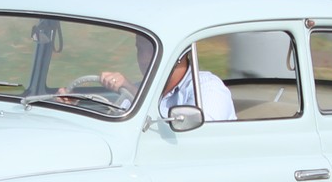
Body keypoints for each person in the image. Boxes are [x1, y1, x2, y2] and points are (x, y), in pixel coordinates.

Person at [92, 40, 237, 121]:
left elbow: (196, 137)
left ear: (179, 54)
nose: (143, 58)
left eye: (152, 49)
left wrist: (132, 90)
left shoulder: (208, 87)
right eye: (140, 50)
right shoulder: (140, 88)